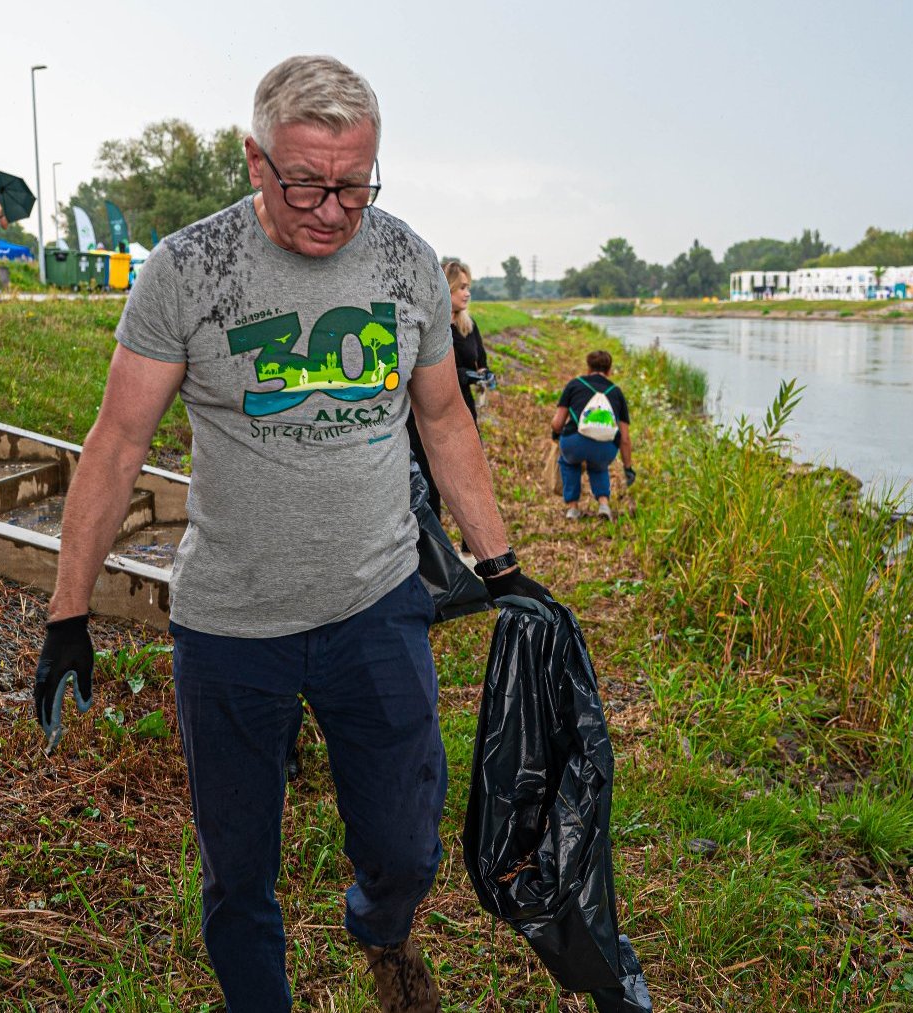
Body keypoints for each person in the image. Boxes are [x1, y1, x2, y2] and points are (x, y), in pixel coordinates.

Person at [30, 55, 548, 1013]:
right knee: (238, 871)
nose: (330, 209)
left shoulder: (405, 263)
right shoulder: (189, 270)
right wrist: (69, 614)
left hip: (377, 604)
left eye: (354, 184)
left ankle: (380, 924)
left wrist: (501, 563)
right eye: (305, 181)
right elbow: (116, 444)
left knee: (408, 842)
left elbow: (443, 422)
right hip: (231, 626)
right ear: (253, 159)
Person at [405, 258, 489, 518]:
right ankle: (436, 547)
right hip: (425, 412)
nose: (467, 293)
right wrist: (460, 374)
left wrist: (482, 376)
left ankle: (471, 551)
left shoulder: (468, 326)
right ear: (446, 289)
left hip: (462, 406)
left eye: (468, 287)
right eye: (461, 287)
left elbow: (482, 360)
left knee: (469, 472)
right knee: (430, 478)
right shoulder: (428, 327)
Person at [550, 349, 636, 520]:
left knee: (569, 462)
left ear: (588, 369)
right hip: (605, 447)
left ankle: (573, 508)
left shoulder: (574, 384)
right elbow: (625, 438)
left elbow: (557, 423)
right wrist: (628, 468)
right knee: (599, 466)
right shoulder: (616, 392)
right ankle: (604, 505)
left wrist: (556, 435)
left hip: (574, 442)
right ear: (609, 371)